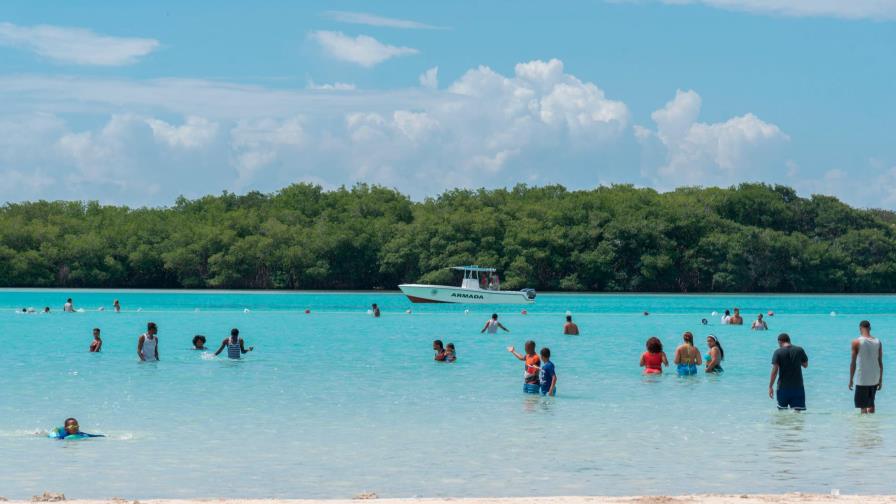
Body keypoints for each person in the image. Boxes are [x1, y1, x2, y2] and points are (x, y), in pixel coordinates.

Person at [849, 320, 883, 414]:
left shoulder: (856, 342)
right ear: (870, 328)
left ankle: (865, 427)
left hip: (862, 379)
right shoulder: (878, 341)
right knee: (871, 404)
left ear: (860, 328)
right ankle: (872, 426)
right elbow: (880, 362)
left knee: (863, 407)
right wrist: (880, 379)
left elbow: (853, 363)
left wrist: (851, 379)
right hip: (874, 378)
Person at [769, 333, 808, 411]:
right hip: (798, 387)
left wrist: (770, 386)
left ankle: (784, 423)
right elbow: (805, 365)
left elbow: (774, 371)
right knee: (797, 414)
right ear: (789, 340)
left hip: (783, 388)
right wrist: (796, 360)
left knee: (782, 413)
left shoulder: (778, 352)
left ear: (780, 341)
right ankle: (796, 424)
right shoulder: (799, 350)